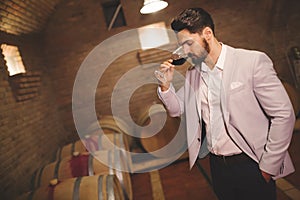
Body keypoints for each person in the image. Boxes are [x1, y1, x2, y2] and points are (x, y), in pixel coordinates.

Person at [157, 8, 295, 200]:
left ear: (207, 33)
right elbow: (176, 109)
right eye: (182, 46)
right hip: (218, 167)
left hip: (251, 164)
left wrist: (268, 167)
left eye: (189, 43)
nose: (185, 51)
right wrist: (165, 86)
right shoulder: (194, 74)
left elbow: (283, 115)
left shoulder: (251, 62)